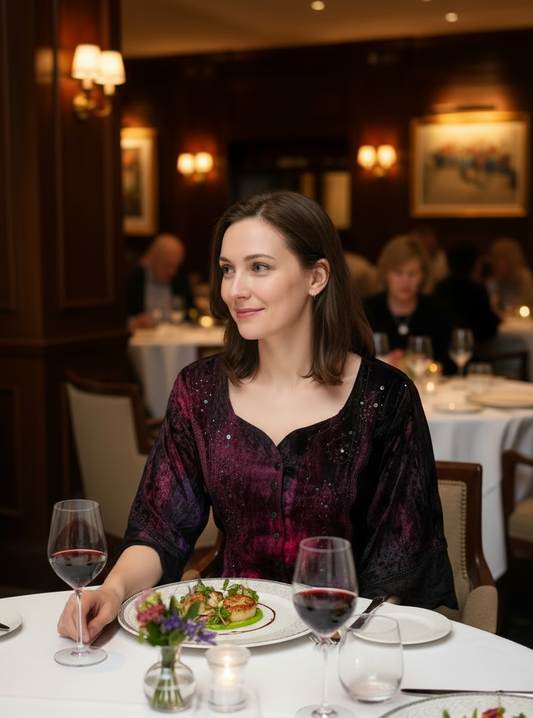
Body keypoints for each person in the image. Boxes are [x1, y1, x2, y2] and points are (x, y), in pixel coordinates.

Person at [58, 191, 456, 643]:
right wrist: (112, 590)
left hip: (342, 640)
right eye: (228, 269)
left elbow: (399, 568)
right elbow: (160, 530)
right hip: (230, 639)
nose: (234, 289)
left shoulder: (385, 397)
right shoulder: (200, 390)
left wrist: (348, 650)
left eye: (259, 267)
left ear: (316, 277)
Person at [365, 234, 454, 372]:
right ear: (385, 273)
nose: (405, 281)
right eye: (398, 273)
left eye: (412, 274)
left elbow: (446, 365)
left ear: (423, 276)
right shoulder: (366, 310)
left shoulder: (438, 312)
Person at [434, 242, 500, 344]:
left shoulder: (439, 287)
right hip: (475, 348)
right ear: (473, 263)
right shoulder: (477, 289)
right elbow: (487, 329)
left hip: (443, 346)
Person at [126, 233, 194, 329]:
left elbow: (191, 313)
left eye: (176, 265)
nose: (172, 271)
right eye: (167, 264)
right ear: (151, 256)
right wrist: (133, 322)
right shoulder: (132, 280)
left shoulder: (179, 280)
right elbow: (120, 318)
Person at [485, 237, 533, 315]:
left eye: (500, 258)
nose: (496, 263)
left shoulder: (524, 277)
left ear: (511, 259)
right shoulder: (494, 280)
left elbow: (527, 303)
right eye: (495, 258)